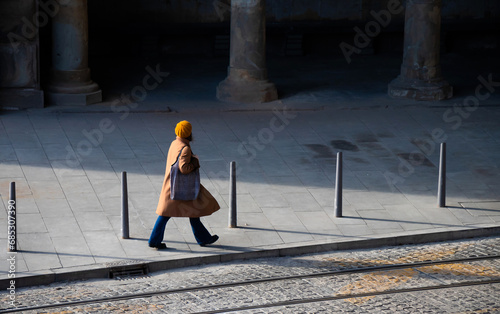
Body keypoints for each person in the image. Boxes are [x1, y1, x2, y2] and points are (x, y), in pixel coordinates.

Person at [148, 120, 220, 250]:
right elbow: (184, 168)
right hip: (180, 188)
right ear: (189, 133)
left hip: (172, 186)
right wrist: (195, 162)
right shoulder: (185, 148)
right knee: (167, 214)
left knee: (190, 212)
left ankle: (203, 238)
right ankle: (154, 240)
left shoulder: (174, 143)